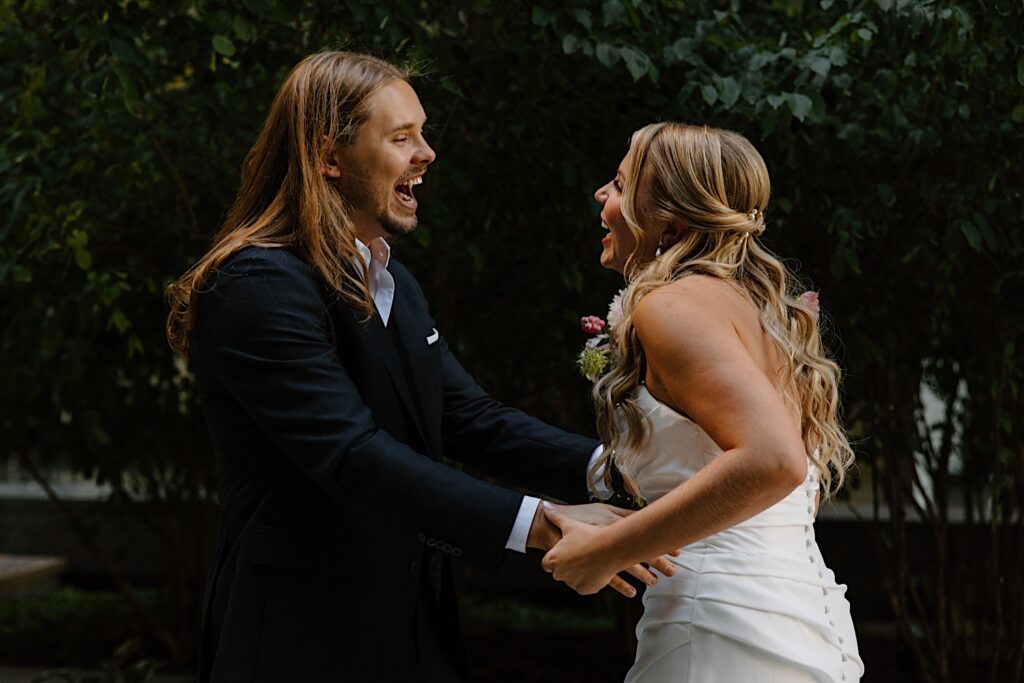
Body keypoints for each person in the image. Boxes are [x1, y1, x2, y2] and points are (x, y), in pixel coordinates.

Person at [165, 50, 672, 682]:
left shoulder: (393, 281)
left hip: (413, 631)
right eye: (402, 137)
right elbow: (350, 454)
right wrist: (542, 521)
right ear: (329, 156)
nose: (427, 153)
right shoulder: (256, 284)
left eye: (422, 134)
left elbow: (466, 417)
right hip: (301, 640)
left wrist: (623, 469)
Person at [540, 122, 865, 682]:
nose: (602, 195)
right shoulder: (763, 314)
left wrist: (606, 552)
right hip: (801, 620)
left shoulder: (672, 307)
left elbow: (773, 461)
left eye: (619, 184)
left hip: (716, 628)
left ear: (668, 220)